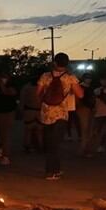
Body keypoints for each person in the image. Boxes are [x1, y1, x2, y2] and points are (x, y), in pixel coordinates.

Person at [37, 52, 84, 180]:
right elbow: (80, 95)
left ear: (55, 63)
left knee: (49, 142)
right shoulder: (70, 77)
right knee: (56, 143)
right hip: (61, 114)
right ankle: (50, 172)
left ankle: (55, 169)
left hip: (46, 114)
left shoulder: (45, 76)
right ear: (67, 63)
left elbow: (38, 93)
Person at [20, 77, 42, 153]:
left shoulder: (26, 87)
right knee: (39, 131)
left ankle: (27, 146)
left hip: (29, 111)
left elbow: (22, 100)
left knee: (28, 131)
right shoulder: (43, 86)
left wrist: (21, 110)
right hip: (40, 111)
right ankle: (40, 146)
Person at [76, 74, 95, 155]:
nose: (89, 80)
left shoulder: (90, 87)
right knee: (85, 129)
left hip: (90, 109)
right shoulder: (81, 87)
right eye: (87, 78)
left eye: (90, 78)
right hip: (83, 109)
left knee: (88, 129)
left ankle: (86, 148)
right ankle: (84, 148)